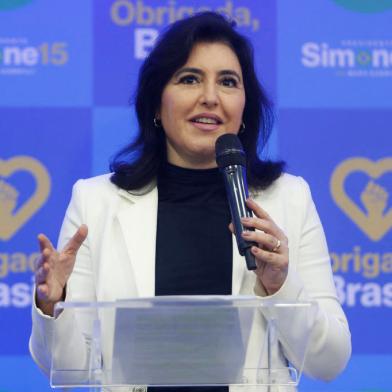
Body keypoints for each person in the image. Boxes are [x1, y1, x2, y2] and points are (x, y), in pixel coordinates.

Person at [30, 11, 351, 392]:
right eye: (189, 79)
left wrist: (281, 285)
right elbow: (69, 368)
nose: (210, 98)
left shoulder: (288, 198)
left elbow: (329, 362)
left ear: (245, 107)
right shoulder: (97, 201)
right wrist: (55, 305)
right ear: (155, 104)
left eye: (228, 82)